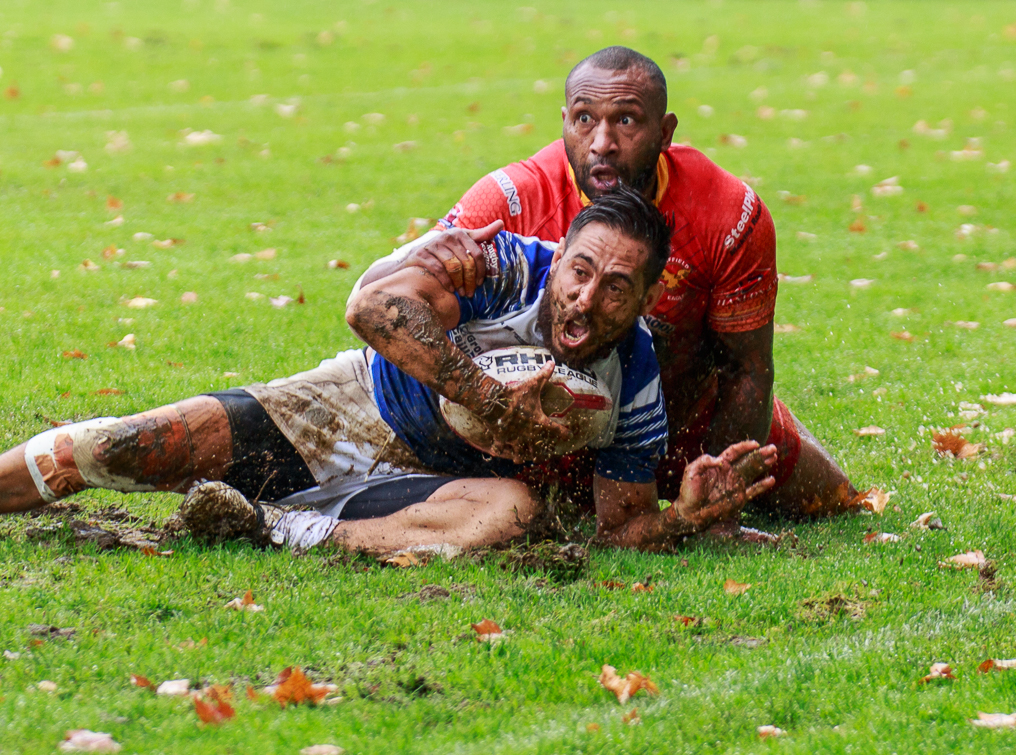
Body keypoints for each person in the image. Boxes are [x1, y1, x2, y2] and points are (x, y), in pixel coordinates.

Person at [0, 191, 776, 555]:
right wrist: (489, 396)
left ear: (647, 296)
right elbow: (370, 308)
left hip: (435, 485)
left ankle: (282, 529)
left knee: (511, 517)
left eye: (619, 289)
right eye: (582, 270)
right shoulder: (502, 262)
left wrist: (683, 513)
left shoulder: (637, 378)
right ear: (557, 253)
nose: (588, 300)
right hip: (345, 408)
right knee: (134, 443)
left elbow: (619, 527)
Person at [355, 46, 860, 535]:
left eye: (625, 121)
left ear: (664, 133)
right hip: (542, 430)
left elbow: (748, 367)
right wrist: (432, 256)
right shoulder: (509, 199)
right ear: (564, 122)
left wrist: (724, 504)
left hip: (688, 423)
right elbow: (379, 300)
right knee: (523, 517)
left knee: (842, 505)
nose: (601, 143)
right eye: (583, 119)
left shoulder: (727, 214)